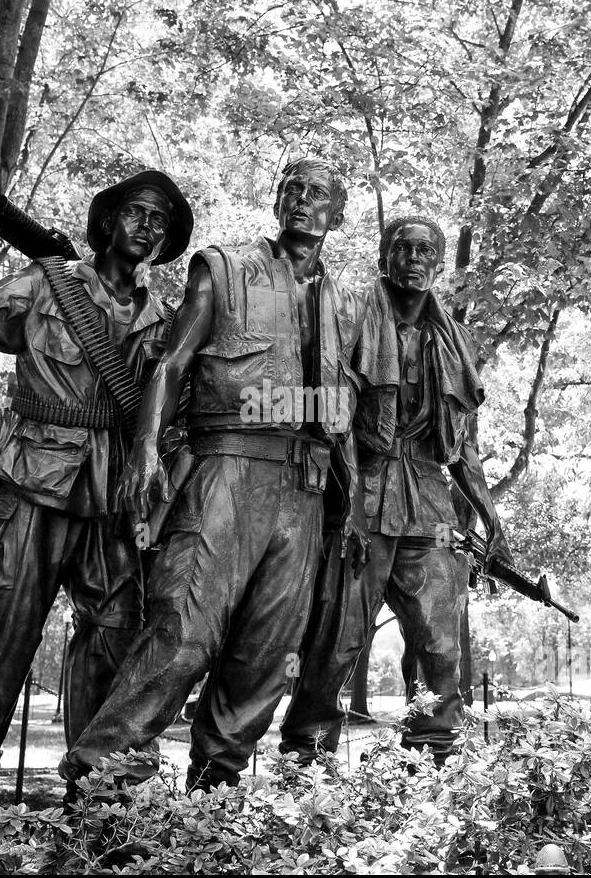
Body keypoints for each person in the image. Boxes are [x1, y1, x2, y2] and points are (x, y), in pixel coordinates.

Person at [62, 157, 368, 791]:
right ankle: (95, 783)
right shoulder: (224, 268)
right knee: (182, 635)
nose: (302, 201)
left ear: (340, 214)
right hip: (225, 469)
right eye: (292, 189)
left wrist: (355, 502)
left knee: (264, 654)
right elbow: (170, 367)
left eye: (318, 194)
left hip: (305, 491)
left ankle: (215, 795)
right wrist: (146, 449)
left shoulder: (343, 302)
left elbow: (342, 411)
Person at [0, 170, 194, 819]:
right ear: (107, 221)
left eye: (160, 220)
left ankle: (91, 815)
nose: (147, 226)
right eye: (136, 212)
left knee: (112, 656)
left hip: (112, 504)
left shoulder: (166, 322)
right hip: (32, 490)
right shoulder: (47, 285)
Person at [279, 215, 513, 765]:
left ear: (438, 266)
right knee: (338, 639)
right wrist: (354, 509)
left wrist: (489, 513)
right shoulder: (352, 313)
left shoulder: (454, 340)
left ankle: (431, 760)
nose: (413, 259)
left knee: (439, 644)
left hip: (428, 499)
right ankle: (306, 759)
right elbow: (333, 416)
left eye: (426, 252)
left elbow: (462, 443)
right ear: (384, 257)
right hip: (361, 489)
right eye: (402, 249)